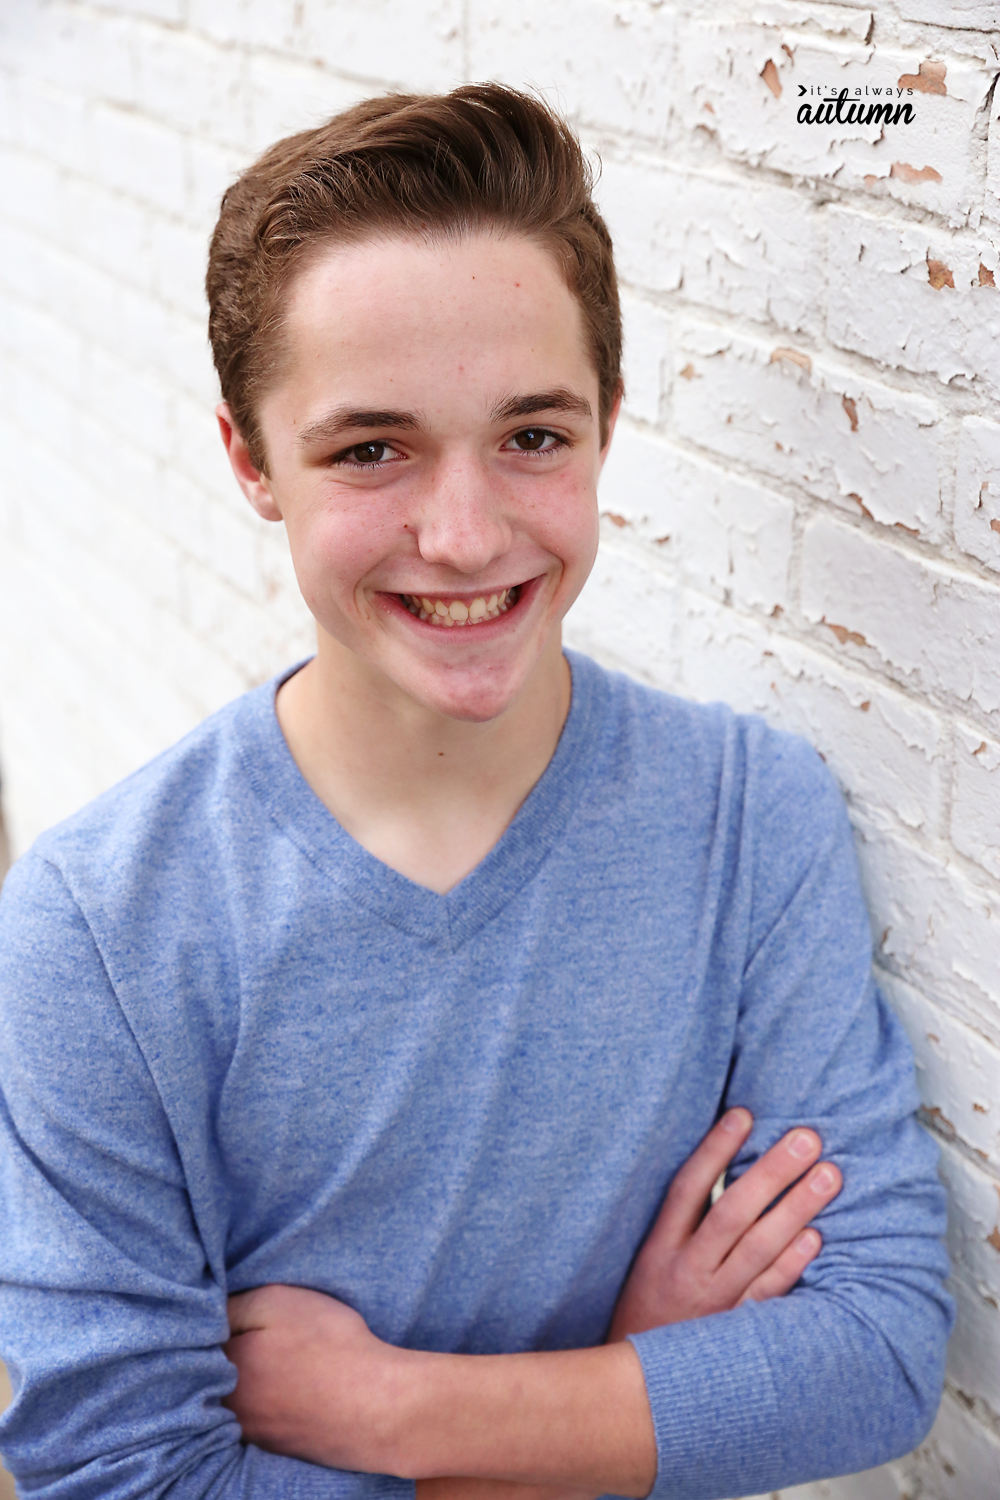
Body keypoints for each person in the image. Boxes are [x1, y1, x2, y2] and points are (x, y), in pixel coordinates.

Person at [0, 85, 951, 1500]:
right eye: (370, 448)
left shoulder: (752, 820)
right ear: (252, 462)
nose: (463, 534)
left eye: (534, 436)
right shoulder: (97, 933)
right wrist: (626, 1397)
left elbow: (874, 1354)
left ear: (610, 428)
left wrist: (392, 1411)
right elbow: (129, 1478)